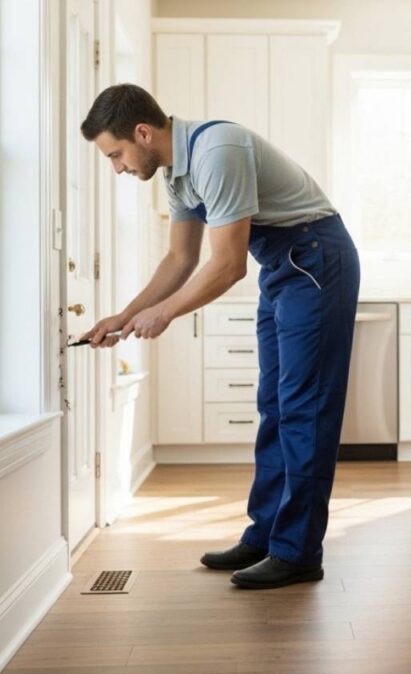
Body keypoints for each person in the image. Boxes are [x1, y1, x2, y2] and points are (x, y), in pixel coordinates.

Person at [79, 84, 360, 589]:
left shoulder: (217, 150)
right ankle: (267, 535)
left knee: (304, 406)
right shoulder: (176, 175)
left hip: (316, 258)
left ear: (143, 133)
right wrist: (124, 315)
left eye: (116, 154)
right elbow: (181, 260)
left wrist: (163, 314)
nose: (117, 167)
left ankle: (298, 552)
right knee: (274, 404)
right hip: (284, 266)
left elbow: (228, 266)